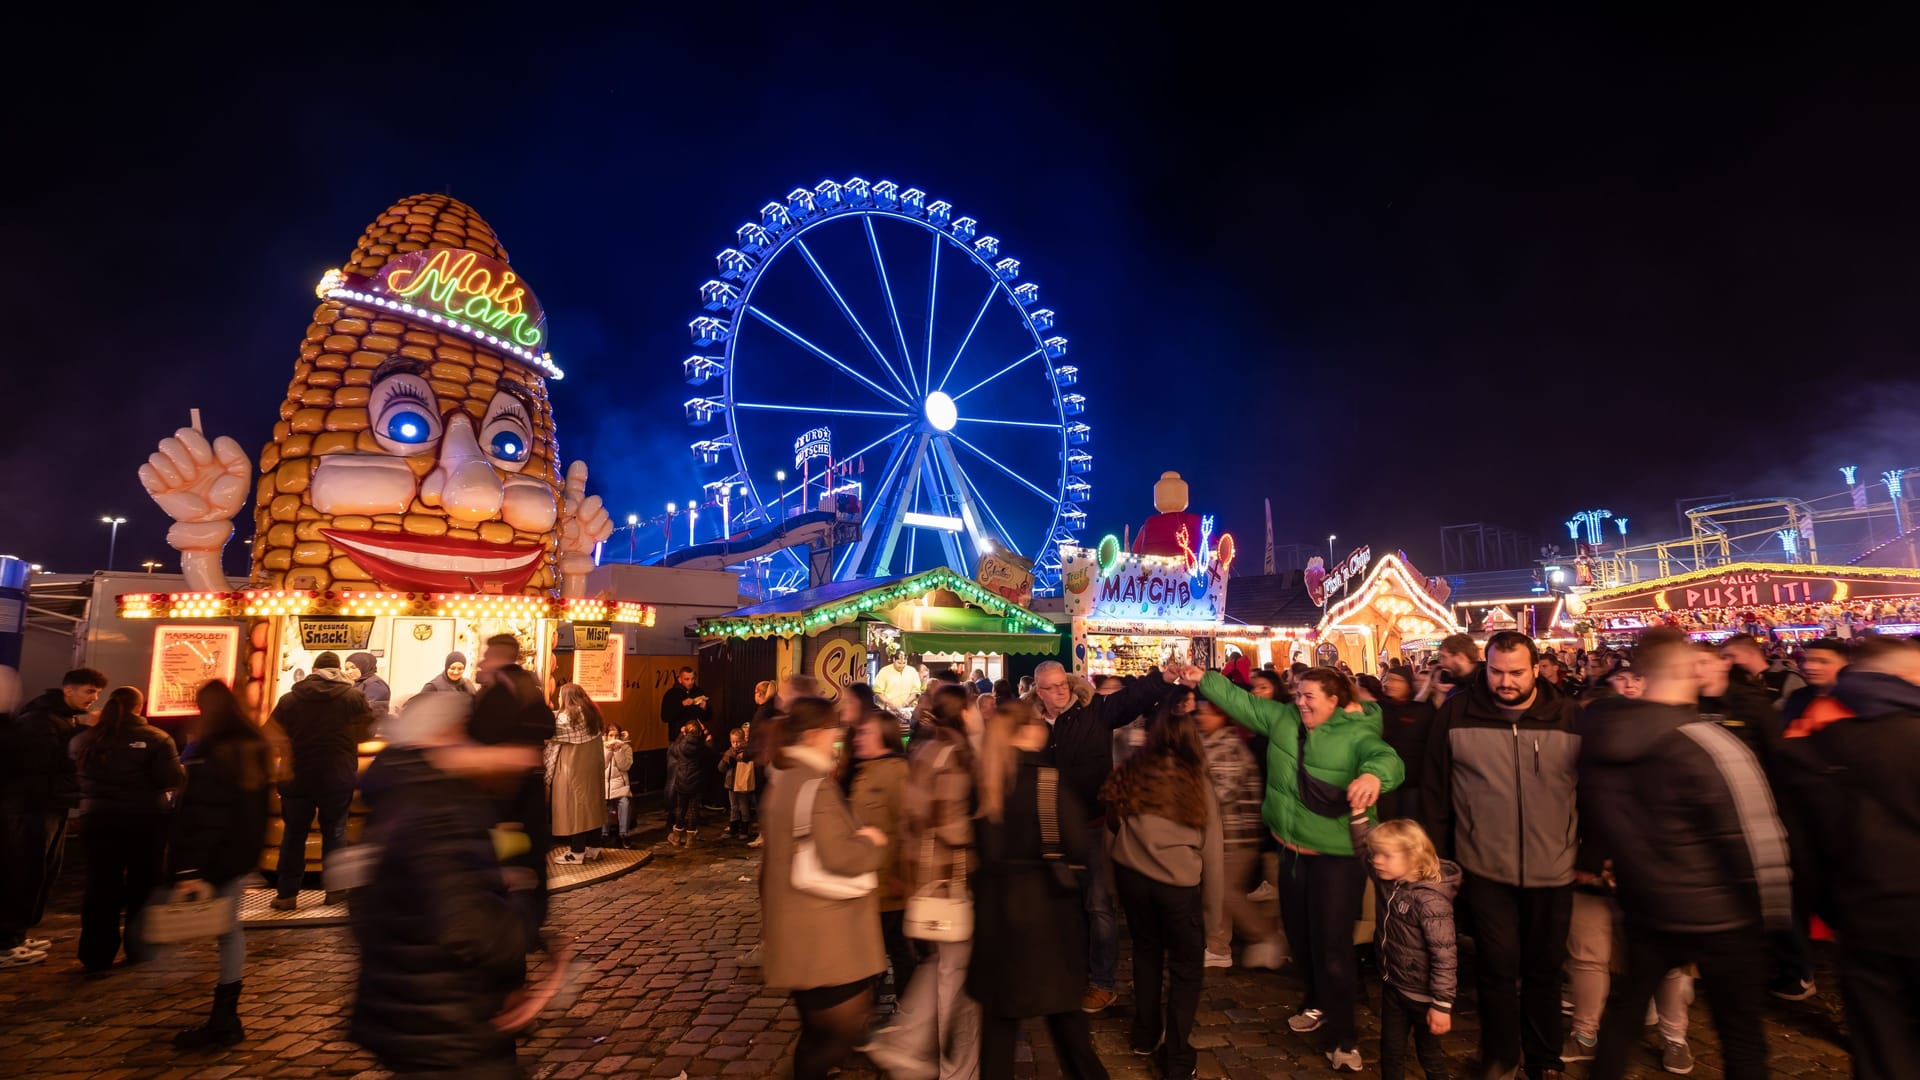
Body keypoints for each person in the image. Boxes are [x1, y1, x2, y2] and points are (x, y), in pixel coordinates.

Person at [1576, 630, 1789, 1080]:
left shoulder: (1599, 740)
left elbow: (1599, 822)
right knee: (1743, 1038)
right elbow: (1753, 836)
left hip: (1646, 907)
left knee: (1625, 1018)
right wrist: (1774, 918)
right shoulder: (1706, 742)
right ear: (1684, 670)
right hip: (1724, 917)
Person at [1182, 663, 1402, 1072]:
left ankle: (1344, 1038)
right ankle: (1316, 1001)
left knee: (1333, 945)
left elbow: (1385, 758)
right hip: (1292, 853)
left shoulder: (1357, 731)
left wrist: (1374, 775)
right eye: (1297, 694)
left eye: (1309, 696)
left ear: (1335, 702)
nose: (1300, 702)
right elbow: (1240, 701)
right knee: (1300, 940)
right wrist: (1203, 679)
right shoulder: (1281, 718)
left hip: (1336, 859)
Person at [349, 693, 543, 1079]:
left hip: (404, 1012)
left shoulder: (395, 795)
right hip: (450, 1020)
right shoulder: (438, 808)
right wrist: (521, 908)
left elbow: (363, 913)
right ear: (444, 735)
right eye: (462, 731)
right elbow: (469, 925)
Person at [1423, 630, 1579, 1080]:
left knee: (1545, 970)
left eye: (1515, 672)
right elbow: (1435, 790)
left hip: (1554, 866)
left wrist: (1591, 856)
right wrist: (1440, 860)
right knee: (1496, 968)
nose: (1505, 681)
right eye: (1496, 671)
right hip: (1483, 865)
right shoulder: (1457, 712)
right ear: (1484, 667)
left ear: (1536, 669)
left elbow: (1590, 789)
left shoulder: (1567, 716)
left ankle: (1545, 1059)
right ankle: (1501, 1055)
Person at [1773, 638, 1920, 1080]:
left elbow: (1803, 844)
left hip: (1864, 918)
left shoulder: (1815, 740)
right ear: (1899, 677)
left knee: (1880, 1043)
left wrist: (1836, 909)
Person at [968, 700, 1109, 1080]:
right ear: (1029, 730)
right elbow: (1079, 845)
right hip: (1048, 914)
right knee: (1067, 1022)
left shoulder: (986, 785)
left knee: (999, 1030)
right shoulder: (1049, 782)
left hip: (998, 916)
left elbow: (982, 849)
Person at [1025, 659, 1173, 1013]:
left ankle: (1102, 982)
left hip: (1090, 824)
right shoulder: (1029, 724)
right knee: (1059, 903)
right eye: (1052, 687)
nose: (1060, 691)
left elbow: (1131, 700)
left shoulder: (1095, 711)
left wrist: (1161, 679)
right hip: (1049, 827)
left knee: (1098, 905)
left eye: (1063, 684)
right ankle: (1065, 971)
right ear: (1038, 692)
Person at [758, 696, 890, 1080]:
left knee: (819, 1034)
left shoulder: (784, 780)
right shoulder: (814, 785)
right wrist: (872, 842)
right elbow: (839, 857)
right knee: (837, 1034)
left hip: (798, 929)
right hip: (824, 935)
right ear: (816, 734)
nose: (839, 736)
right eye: (834, 729)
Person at [862, 684, 982, 1080]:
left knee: (942, 966)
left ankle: (904, 1042)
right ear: (963, 713)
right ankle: (955, 1068)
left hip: (926, 879)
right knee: (955, 976)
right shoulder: (954, 755)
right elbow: (950, 824)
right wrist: (983, 835)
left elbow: (912, 819)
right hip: (950, 879)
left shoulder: (926, 749)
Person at [1102, 700, 1224, 1080]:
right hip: (1178, 884)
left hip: (1133, 877)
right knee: (1186, 970)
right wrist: (1213, 915)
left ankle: (1145, 1032)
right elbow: (1212, 848)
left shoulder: (1134, 770)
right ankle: (1176, 1056)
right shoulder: (1195, 778)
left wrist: (1112, 878)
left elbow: (1112, 825)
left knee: (1146, 953)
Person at [168, 680, 272, 1050]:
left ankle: (225, 1018)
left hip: (213, 857)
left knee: (189, 926)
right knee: (229, 931)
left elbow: (203, 814)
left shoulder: (213, 751)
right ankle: (225, 1012)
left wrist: (187, 869)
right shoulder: (254, 745)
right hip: (237, 856)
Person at [70, 686, 183, 973]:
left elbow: (74, 773)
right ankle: (140, 948)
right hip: (146, 818)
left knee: (100, 884)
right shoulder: (157, 739)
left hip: (97, 818)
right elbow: (171, 778)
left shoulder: (86, 739)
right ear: (139, 707)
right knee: (143, 883)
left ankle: (96, 956)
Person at [0, 666, 106, 968]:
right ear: (68, 690)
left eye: (96, 693)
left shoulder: (60, 718)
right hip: (32, 808)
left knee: (44, 872)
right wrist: (83, 734)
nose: (93, 698)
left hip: (51, 805)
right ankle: (7, 941)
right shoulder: (40, 720)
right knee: (25, 872)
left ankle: (18, 935)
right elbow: (46, 763)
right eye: (89, 691)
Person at [1350, 813, 1458, 1080]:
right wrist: (1358, 817)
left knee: (1430, 1057)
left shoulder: (1432, 903)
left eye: (1386, 855)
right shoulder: (1389, 882)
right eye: (1377, 854)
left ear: (1413, 857)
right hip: (1395, 987)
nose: (1376, 861)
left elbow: (1444, 955)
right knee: (1391, 1050)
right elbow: (1364, 849)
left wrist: (1442, 1005)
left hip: (1425, 998)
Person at [268, 651, 373, 911]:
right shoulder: (353, 697)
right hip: (336, 776)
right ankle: (336, 891)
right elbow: (368, 729)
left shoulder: (290, 699)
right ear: (338, 670)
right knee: (335, 831)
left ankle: (287, 894)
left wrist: (289, 750)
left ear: (314, 669)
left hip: (297, 776)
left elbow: (269, 732)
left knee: (293, 834)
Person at [1194, 695, 1285, 970]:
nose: (1201, 718)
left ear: (1222, 717)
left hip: (1235, 834)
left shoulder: (1228, 748)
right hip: (1221, 834)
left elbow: (1220, 794)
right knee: (1217, 892)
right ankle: (1219, 946)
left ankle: (1264, 936)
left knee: (1224, 892)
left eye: (1206, 714)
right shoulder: (1208, 743)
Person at [845, 708, 914, 999]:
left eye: (865, 733)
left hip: (889, 884)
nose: (858, 738)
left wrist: (901, 875)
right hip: (868, 882)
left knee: (897, 949)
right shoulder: (865, 770)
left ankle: (908, 1008)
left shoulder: (897, 772)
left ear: (883, 737)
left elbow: (908, 825)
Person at [544, 684, 605, 865]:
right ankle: (594, 848)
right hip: (592, 770)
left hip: (573, 769)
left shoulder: (569, 716)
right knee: (591, 806)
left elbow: (548, 731)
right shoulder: (592, 713)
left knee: (575, 808)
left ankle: (576, 852)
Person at [1377, 669, 1437, 828]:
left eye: (1397, 680)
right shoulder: (1378, 709)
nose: (1391, 684)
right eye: (1388, 679)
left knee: (1409, 825)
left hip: (1413, 782)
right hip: (1385, 782)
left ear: (1408, 684)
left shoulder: (1422, 710)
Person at [1780, 637, 1849, 732]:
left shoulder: (1856, 701)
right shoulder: (1798, 697)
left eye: (1823, 661)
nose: (1809, 666)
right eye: (1806, 660)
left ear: (1845, 664)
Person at [1722, 633, 1805, 706]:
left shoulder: (1787, 678)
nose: (1727, 661)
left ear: (1749, 654)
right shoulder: (1735, 679)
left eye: (1732, 656)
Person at [666, 721, 710, 847]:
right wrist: (706, 734)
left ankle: (677, 836)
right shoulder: (701, 747)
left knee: (680, 808)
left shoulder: (680, 746)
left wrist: (681, 734)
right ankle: (690, 840)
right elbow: (710, 751)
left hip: (682, 781)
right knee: (693, 809)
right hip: (696, 782)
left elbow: (672, 749)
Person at [718, 728, 757, 841]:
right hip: (731, 784)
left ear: (744, 741)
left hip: (742, 784)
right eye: (733, 742)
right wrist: (726, 760)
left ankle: (745, 829)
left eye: (738, 741)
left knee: (744, 806)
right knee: (733, 806)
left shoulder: (746, 753)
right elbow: (720, 769)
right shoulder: (729, 752)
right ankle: (733, 828)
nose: (735, 744)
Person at [602, 725, 634, 847]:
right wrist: (609, 750)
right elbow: (602, 765)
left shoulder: (626, 748)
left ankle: (624, 834)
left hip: (620, 785)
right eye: (611, 735)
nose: (613, 738)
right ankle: (604, 834)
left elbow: (625, 766)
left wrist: (618, 750)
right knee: (603, 804)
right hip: (604, 785)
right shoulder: (600, 747)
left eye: (616, 736)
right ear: (606, 736)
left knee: (624, 802)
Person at [1434, 634, 1481, 701]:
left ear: (1460, 657)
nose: (1441, 662)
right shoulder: (1451, 680)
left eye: (1444, 657)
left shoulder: (1483, 685)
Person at [345, 652, 391, 720]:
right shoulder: (357, 683)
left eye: (353, 668)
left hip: (372, 727)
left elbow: (369, 710)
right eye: (347, 669)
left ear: (365, 666)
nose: (349, 672)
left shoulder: (375, 685)